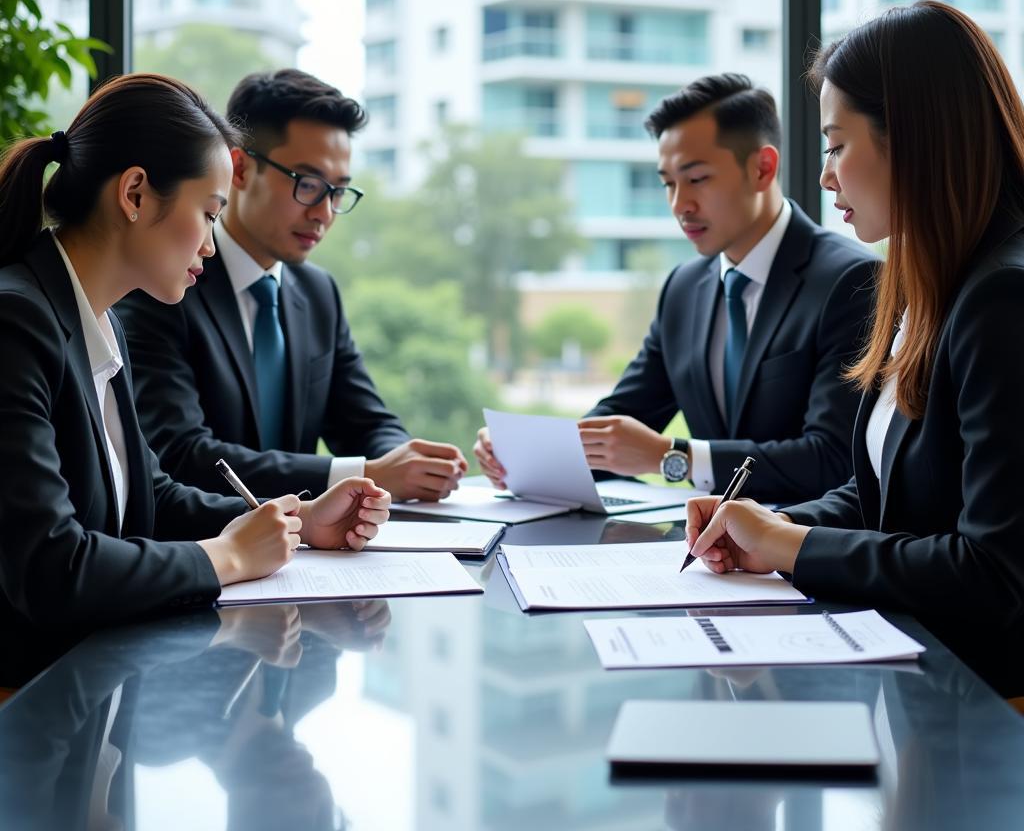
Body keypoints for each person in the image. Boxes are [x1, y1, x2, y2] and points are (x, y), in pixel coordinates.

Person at [0, 73, 390, 685]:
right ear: (134, 194)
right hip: (29, 705)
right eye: (209, 213)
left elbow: (150, 497)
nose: (210, 243)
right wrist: (230, 555)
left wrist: (297, 518)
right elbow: (53, 570)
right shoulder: (17, 321)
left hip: (97, 682)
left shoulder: (95, 319)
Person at [684, 2, 1024, 694]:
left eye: (837, 144)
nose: (824, 176)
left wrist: (791, 547)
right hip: (915, 680)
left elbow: (996, 574)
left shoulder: (1004, 301)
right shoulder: (924, 283)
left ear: (914, 139)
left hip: (984, 710)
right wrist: (770, 523)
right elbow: (885, 496)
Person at [475, 73, 877, 503]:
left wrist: (674, 456)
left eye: (697, 178)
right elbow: (621, 420)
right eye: (668, 183)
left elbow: (834, 459)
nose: (679, 205)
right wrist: (522, 453)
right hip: (704, 554)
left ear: (763, 168)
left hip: (800, 552)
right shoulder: (684, 289)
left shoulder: (852, 281)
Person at [115, 68, 467, 503]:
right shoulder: (162, 284)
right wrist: (362, 473)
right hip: (207, 551)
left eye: (338, 191)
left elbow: (365, 422)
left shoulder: (318, 293)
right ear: (239, 168)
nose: (324, 213)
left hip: (307, 556)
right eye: (309, 184)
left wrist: (411, 464)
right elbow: (180, 455)